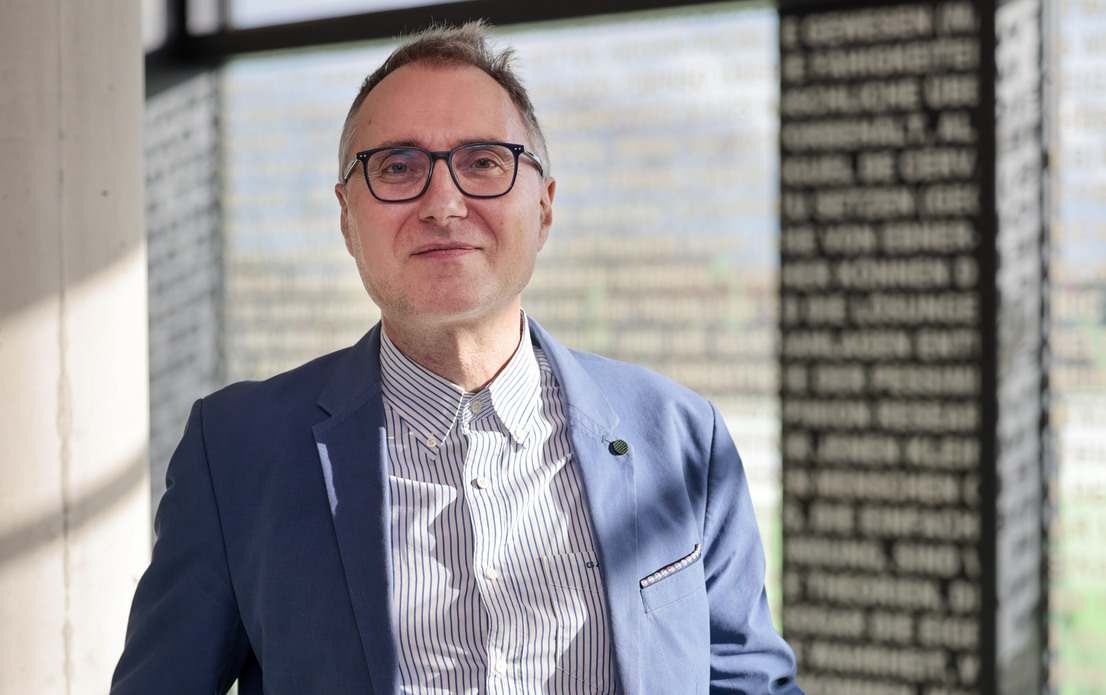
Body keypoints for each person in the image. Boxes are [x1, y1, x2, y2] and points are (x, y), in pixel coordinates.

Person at [111, 21, 802, 695]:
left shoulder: (682, 440)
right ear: (347, 218)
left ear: (545, 208)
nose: (444, 203)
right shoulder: (236, 451)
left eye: (482, 162)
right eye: (398, 167)